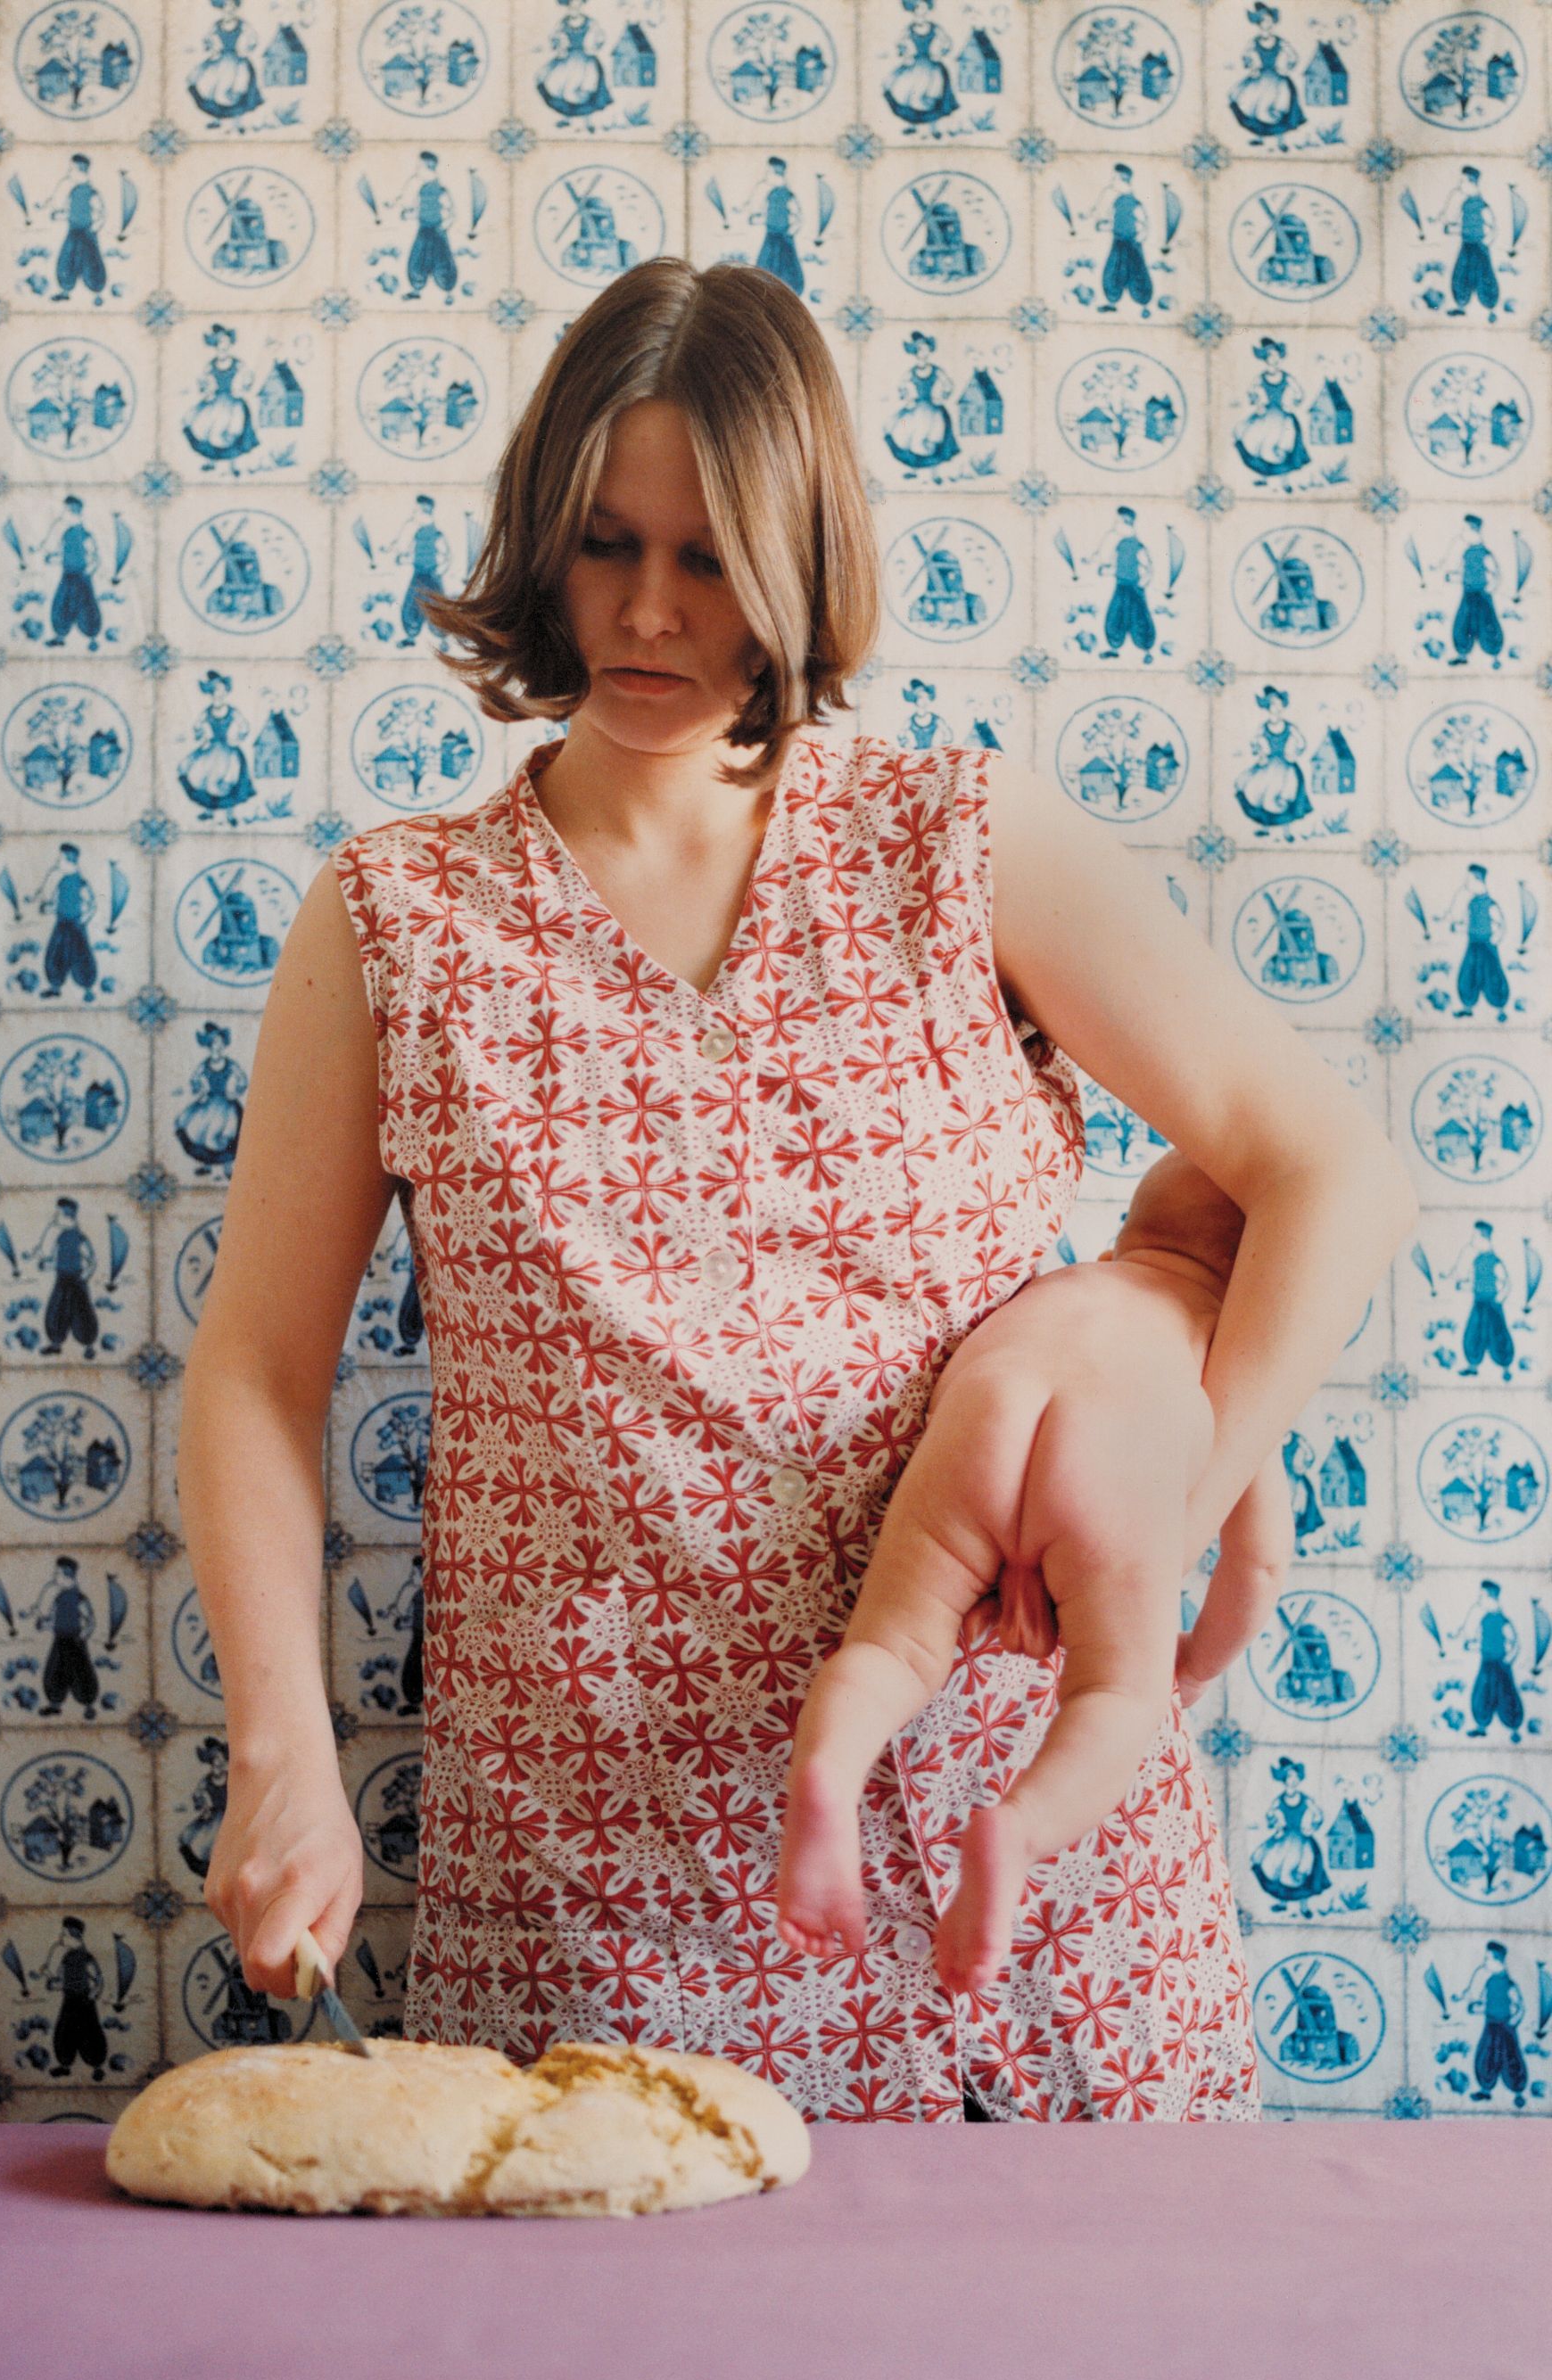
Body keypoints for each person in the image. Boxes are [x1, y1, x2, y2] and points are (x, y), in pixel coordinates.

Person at [181, 257, 1420, 2123]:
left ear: (802, 554)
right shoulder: (397, 921)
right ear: (542, 543)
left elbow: (1328, 1163)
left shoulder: (961, 839)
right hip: (599, 1912)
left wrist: (1184, 1483)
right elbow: (256, 1371)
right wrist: (284, 1746)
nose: (654, 612)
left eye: (712, 555)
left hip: (1020, 1889)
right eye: (607, 545)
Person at [775, 1150, 1292, 1997]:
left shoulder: (1053, 1285)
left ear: (1132, 1226)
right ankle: (1018, 1828)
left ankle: (829, 1770)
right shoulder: (1226, 1349)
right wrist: (1192, 1662)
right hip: (1108, 1473)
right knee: (1111, 1701)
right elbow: (1261, 1558)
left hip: (987, 1420)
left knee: (894, 1650)